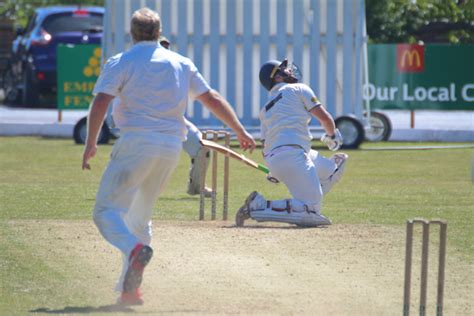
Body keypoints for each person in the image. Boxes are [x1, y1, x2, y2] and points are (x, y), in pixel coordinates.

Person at [82, 8, 256, 306]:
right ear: (158, 31)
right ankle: (130, 290)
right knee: (140, 219)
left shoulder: (121, 61)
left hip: (136, 142)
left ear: (133, 32)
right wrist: (240, 130)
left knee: (105, 211)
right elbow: (211, 98)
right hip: (169, 148)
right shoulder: (181, 63)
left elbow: (101, 101)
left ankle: (134, 251)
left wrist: (90, 143)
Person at [236, 59, 348, 228]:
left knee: (333, 169)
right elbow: (325, 118)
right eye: (283, 70)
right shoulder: (299, 89)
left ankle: (305, 200)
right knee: (312, 211)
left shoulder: (264, 110)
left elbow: (265, 146)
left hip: (283, 156)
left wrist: (274, 171)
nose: (289, 72)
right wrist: (332, 135)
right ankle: (258, 206)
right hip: (294, 155)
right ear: (277, 77)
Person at [159, 35, 212, 197]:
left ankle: (197, 186)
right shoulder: (140, 66)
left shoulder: (176, 66)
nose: (165, 49)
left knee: (202, 147)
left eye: (167, 46)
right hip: (147, 122)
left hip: (174, 120)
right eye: (161, 45)